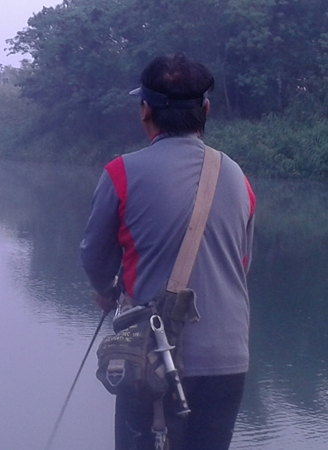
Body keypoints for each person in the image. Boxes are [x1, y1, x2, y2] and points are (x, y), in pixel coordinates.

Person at [80, 53, 255, 450]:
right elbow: (242, 264)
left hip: (148, 357)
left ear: (145, 110)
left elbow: (94, 255)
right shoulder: (238, 177)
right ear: (206, 110)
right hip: (227, 360)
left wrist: (105, 292)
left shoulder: (120, 172)